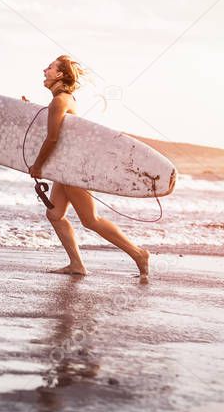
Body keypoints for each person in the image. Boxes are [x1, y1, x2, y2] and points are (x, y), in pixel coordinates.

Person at [27, 55, 150, 277]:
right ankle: (76, 265)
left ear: (61, 74)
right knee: (55, 215)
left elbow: (53, 138)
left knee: (90, 220)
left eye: (50, 67)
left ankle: (138, 253)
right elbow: (61, 131)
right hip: (66, 168)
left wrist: (37, 166)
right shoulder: (65, 100)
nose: (44, 70)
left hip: (73, 169)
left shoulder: (59, 101)